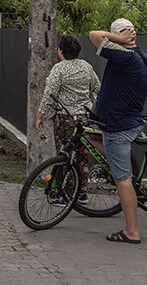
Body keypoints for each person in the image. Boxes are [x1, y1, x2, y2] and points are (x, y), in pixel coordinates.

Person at [88, 18, 147, 245]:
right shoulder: (143, 57)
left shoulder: (124, 56)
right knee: (92, 134)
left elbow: (94, 35)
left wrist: (119, 37)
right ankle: (118, 164)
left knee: (123, 180)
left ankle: (131, 231)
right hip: (128, 121)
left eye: (129, 32)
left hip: (119, 126)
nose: (129, 34)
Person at [36, 35, 100, 204]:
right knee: (82, 155)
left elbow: (50, 93)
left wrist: (41, 114)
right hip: (85, 118)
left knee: (65, 155)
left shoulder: (59, 69)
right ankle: (82, 193)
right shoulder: (86, 66)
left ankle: (65, 194)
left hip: (66, 118)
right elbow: (97, 88)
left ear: (61, 51)